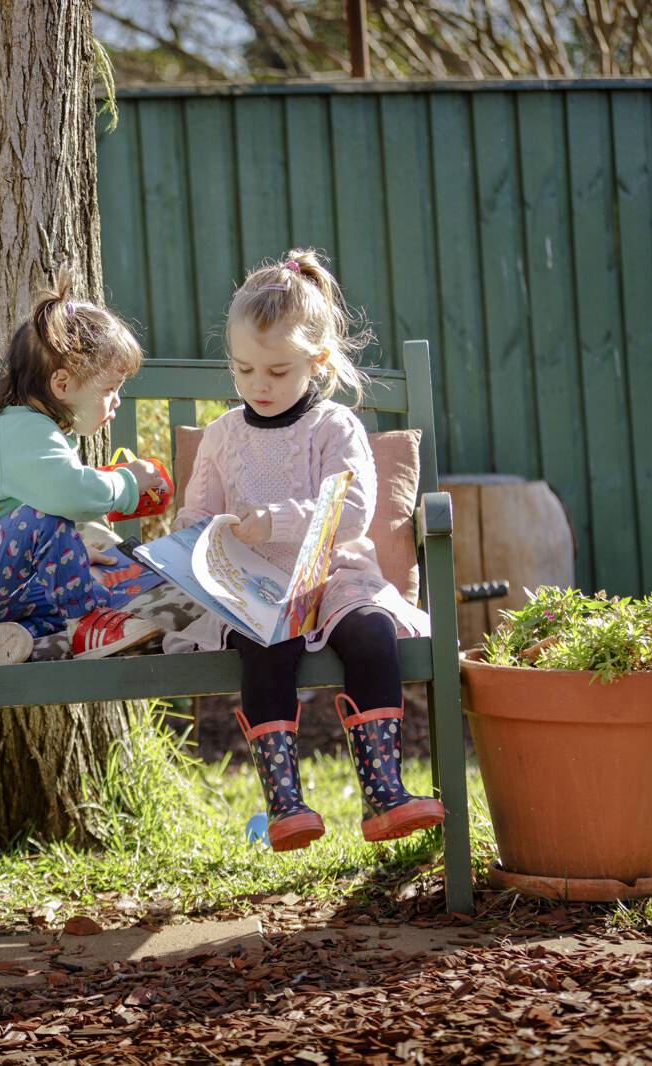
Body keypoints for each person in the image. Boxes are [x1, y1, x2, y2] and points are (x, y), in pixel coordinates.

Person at [172, 249, 443, 851]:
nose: (257, 386)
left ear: (317, 361)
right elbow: (194, 517)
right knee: (265, 645)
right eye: (243, 371)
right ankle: (286, 803)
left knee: (371, 633)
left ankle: (383, 793)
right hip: (259, 589)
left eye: (276, 372)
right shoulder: (222, 437)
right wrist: (199, 535)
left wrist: (273, 520)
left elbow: (351, 512)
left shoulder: (333, 428)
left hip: (335, 576)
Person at [0, 279, 168, 664]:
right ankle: (88, 625)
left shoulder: (40, 431)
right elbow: (69, 496)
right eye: (111, 389)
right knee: (49, 518)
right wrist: (128, 482)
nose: (116, 402)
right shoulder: (24, 432)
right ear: (61, 384)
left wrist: (72, 556)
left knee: (78, 590)